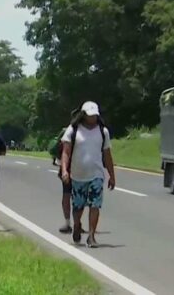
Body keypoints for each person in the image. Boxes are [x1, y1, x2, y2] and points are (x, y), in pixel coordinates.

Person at [61, 101, 116, 248]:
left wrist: (111, 175)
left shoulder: (103, 132)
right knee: (78, 206)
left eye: (95, 115)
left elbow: (107, 154)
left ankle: (91, 236)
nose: (92, 118)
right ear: (83, 115)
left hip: (96, 174)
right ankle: (77, 224)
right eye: (90, 115)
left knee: (95, 205)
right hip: (78, 175)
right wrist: (65, 170)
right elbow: (66, 152)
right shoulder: (73, 130)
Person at [49, 108, 83, 234]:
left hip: (69, 169)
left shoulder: (67, 130)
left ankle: (70, 223)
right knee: (77, 197)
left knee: (68, 195)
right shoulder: (72, 131)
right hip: (73, 169)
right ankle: (74, 222)